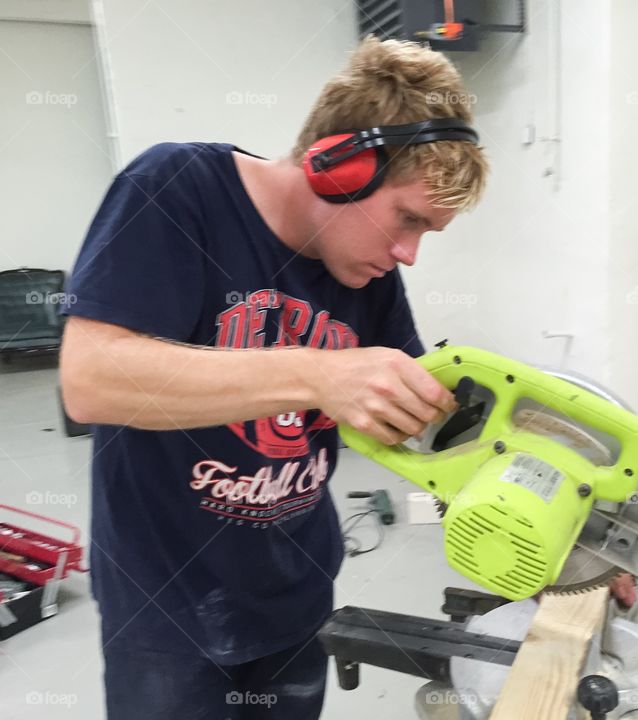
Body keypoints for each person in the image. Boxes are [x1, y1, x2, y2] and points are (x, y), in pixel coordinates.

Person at [59, 37, 487, 720]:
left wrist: (571, 541)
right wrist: (317, 376)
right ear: (336, 168)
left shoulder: (367, 271)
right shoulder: (178, 189)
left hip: (294, 594)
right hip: (165, 607)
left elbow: (429, 426)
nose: (408, 253)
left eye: (428, 233)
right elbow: (90, 380)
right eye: (408, 219)